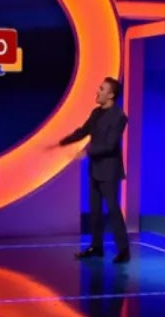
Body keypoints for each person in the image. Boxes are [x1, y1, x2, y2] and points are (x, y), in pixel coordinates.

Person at [53, 77, 130, 263]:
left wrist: (87, 151)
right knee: (95, 210)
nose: (98, 91)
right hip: (95, 168)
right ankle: (96, 247)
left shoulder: (119, 116)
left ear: (111, 95)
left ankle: (123, 250)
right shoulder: (96, 113)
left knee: (113, 209)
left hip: (109, 170)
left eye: (102, 89)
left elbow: (110, 145)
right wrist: (62, 142)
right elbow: (83, 131)